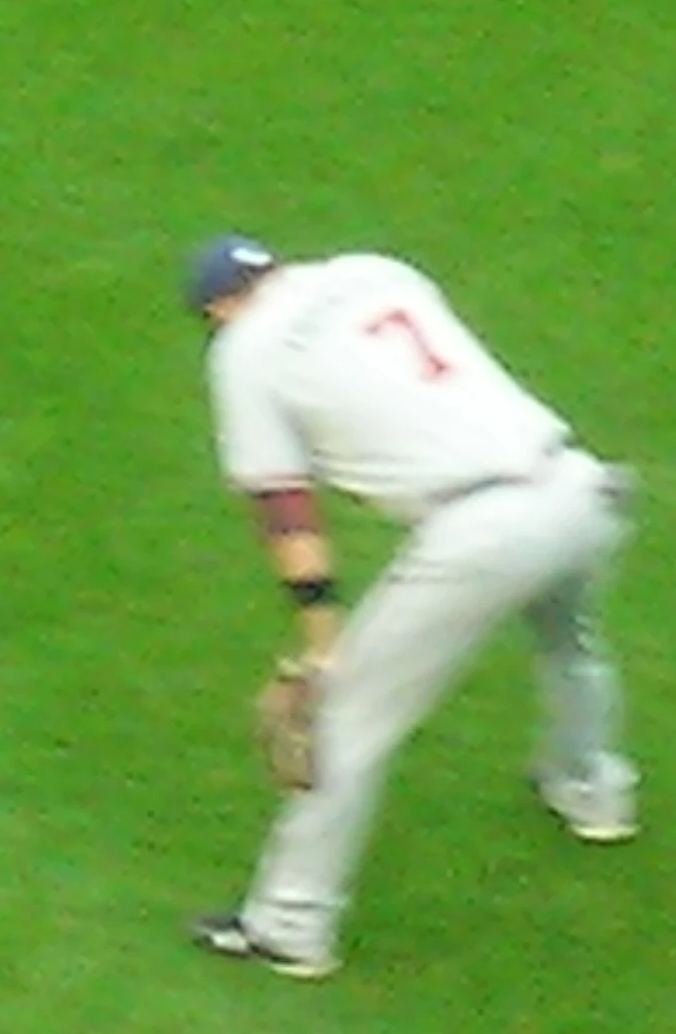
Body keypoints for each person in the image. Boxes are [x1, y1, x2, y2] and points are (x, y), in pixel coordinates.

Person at [182, 233, 639, 980]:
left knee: (343, 717)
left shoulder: (245, 350)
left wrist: (321, 633)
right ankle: (594, 791)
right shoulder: (372, 271)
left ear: (220, 308)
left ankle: (289, 924)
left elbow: (284, 504)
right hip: (580, 487)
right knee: (571, 642)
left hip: (483, 534)